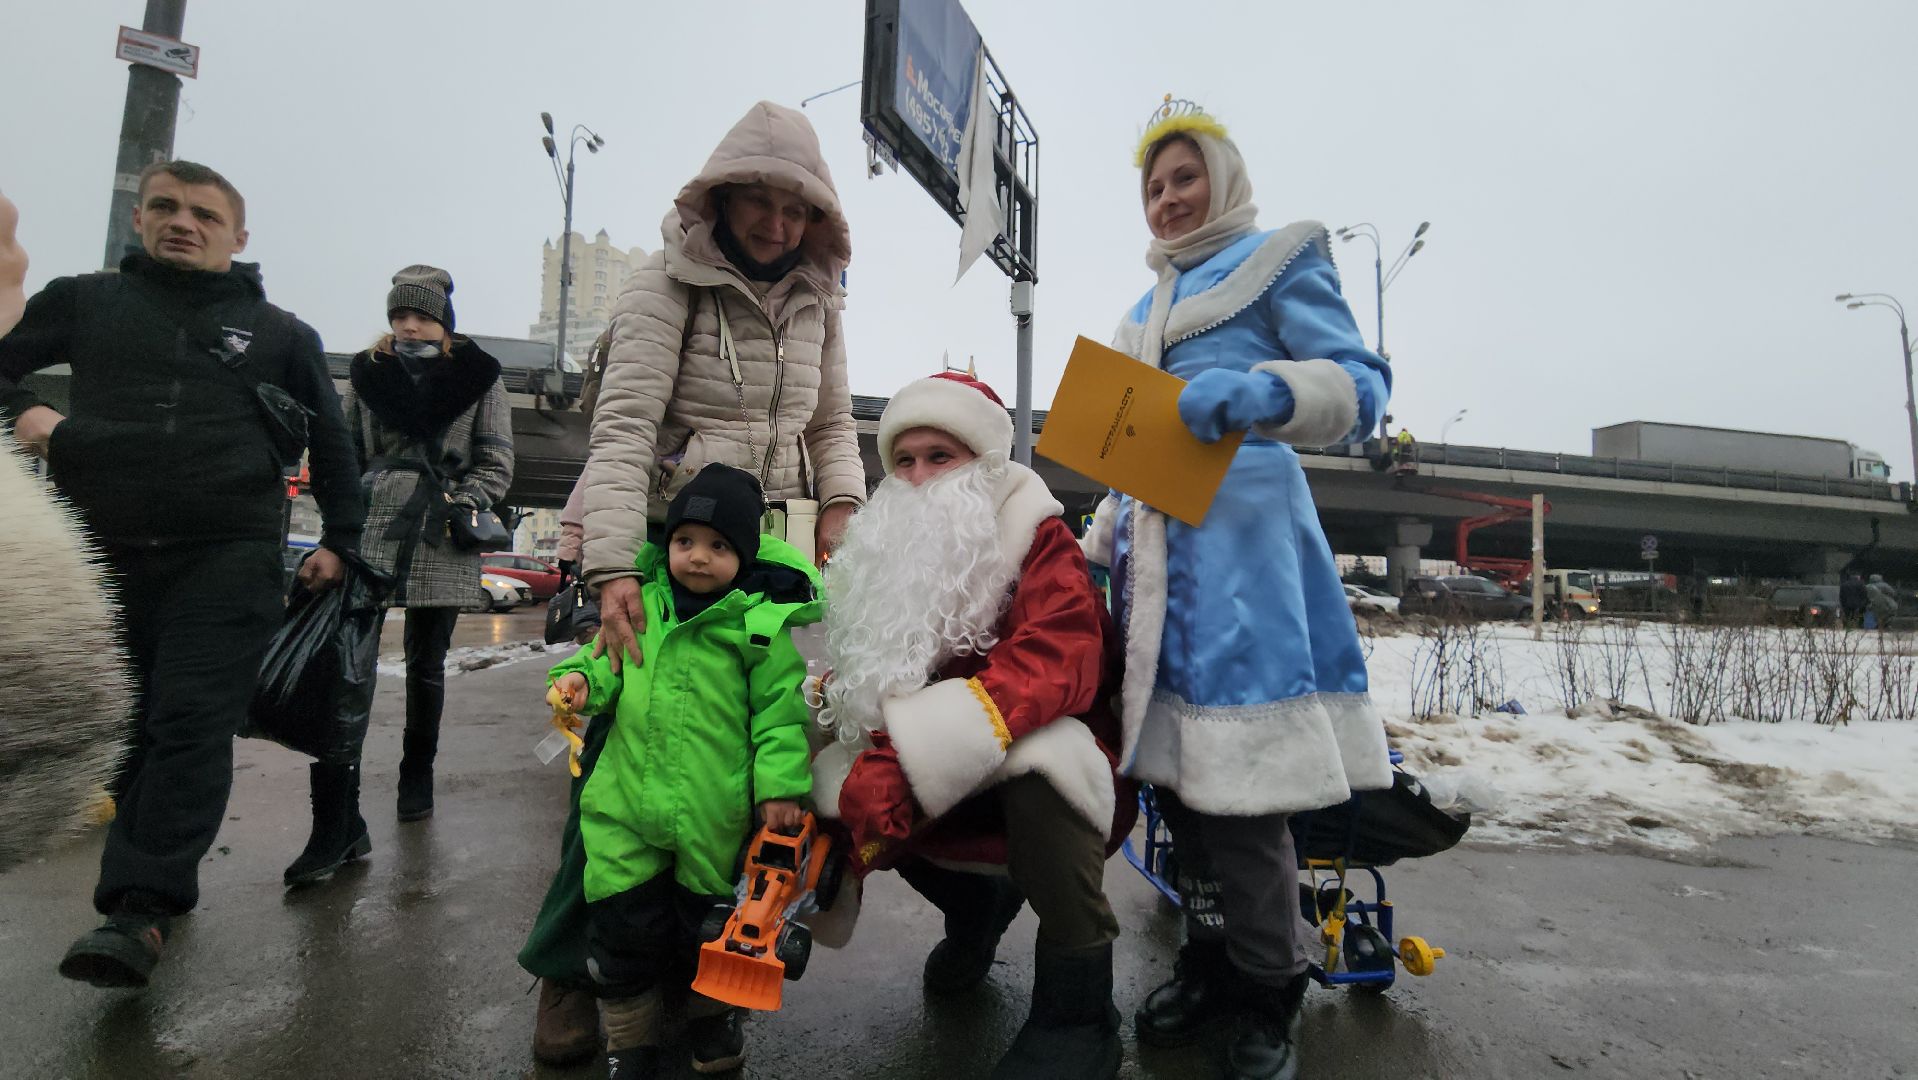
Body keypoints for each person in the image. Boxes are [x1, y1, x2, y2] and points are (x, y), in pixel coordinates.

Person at [522, 99, 865, 1064]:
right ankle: (567, 968)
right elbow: (625, 428)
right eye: (757, 201)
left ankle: (693, 970)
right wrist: (615, 569)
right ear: (720, 198)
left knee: (742, 767)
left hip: (770, 546)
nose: (775, 225)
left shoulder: (819, 301)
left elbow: (832, 427)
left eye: (795, 210)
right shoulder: (661, 284)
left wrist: (845, 513)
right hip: (675, 542)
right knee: (624, 759)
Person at [1080, 101, 1394, 1080]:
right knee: (1181, 792)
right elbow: (1132, 458)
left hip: (1246, 569)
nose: (1167, 199)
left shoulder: (1281, 255)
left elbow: (1362, 386)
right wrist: (1090, 548)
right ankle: (1211, 963)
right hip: (1156, 576)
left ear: (1221, 175)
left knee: (1250, 801)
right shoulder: (1140, 314)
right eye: (1152, 186)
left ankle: (1272, 985)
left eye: (1183, 177)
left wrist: (1267, 392)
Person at [0, 161, 365, 987]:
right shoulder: (86, 302)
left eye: (204, 214)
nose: (183, 223)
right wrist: (29, 416)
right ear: (139, 219)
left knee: (190, 721)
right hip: (97, 551)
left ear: (238, 237)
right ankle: (153, 873)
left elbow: (332, 444)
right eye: (165, 207)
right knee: (125, 724)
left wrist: (340, 538)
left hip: (227, 554)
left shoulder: (280, 334)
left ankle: (137, 910)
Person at [818, 373, 1134, 1080]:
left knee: (1046, 767)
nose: (920, 476)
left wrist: (909, 755)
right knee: (824, 780)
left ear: (982, 460)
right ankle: (978, 911)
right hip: (940, 759)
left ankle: (1080, 1013)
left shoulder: (1037, 531)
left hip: (1045, 746)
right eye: (905, 461)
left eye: (941, 456)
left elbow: (1063, 654)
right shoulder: (893, 545)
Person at [547, 464, 819, 1079]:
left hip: (713, 816)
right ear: (665, 545)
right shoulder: (641, 608)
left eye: (720, 546)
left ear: (745, 555)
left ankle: (711, 1020)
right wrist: (575, 684)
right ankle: (629, 1042)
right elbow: (602, 664)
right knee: (623, 931)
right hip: (626, 809)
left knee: (715, 929)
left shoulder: (758, 631)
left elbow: (779, 719)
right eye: (685, 541)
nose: (698, 557)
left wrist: (779, 788)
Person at [283, 264, 515, 875]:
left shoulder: (479, 377)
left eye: (421, 316)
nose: (409, 325)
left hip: (442, 524)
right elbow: (339, 452)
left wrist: (466, 500)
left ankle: (418, 775)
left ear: (444, 323)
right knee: (347, 666)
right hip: (374, 524)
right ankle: (339, 818)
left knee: (428, 662)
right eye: (399, 316)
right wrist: (346, 514)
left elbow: (496, 458)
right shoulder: (366, 375)